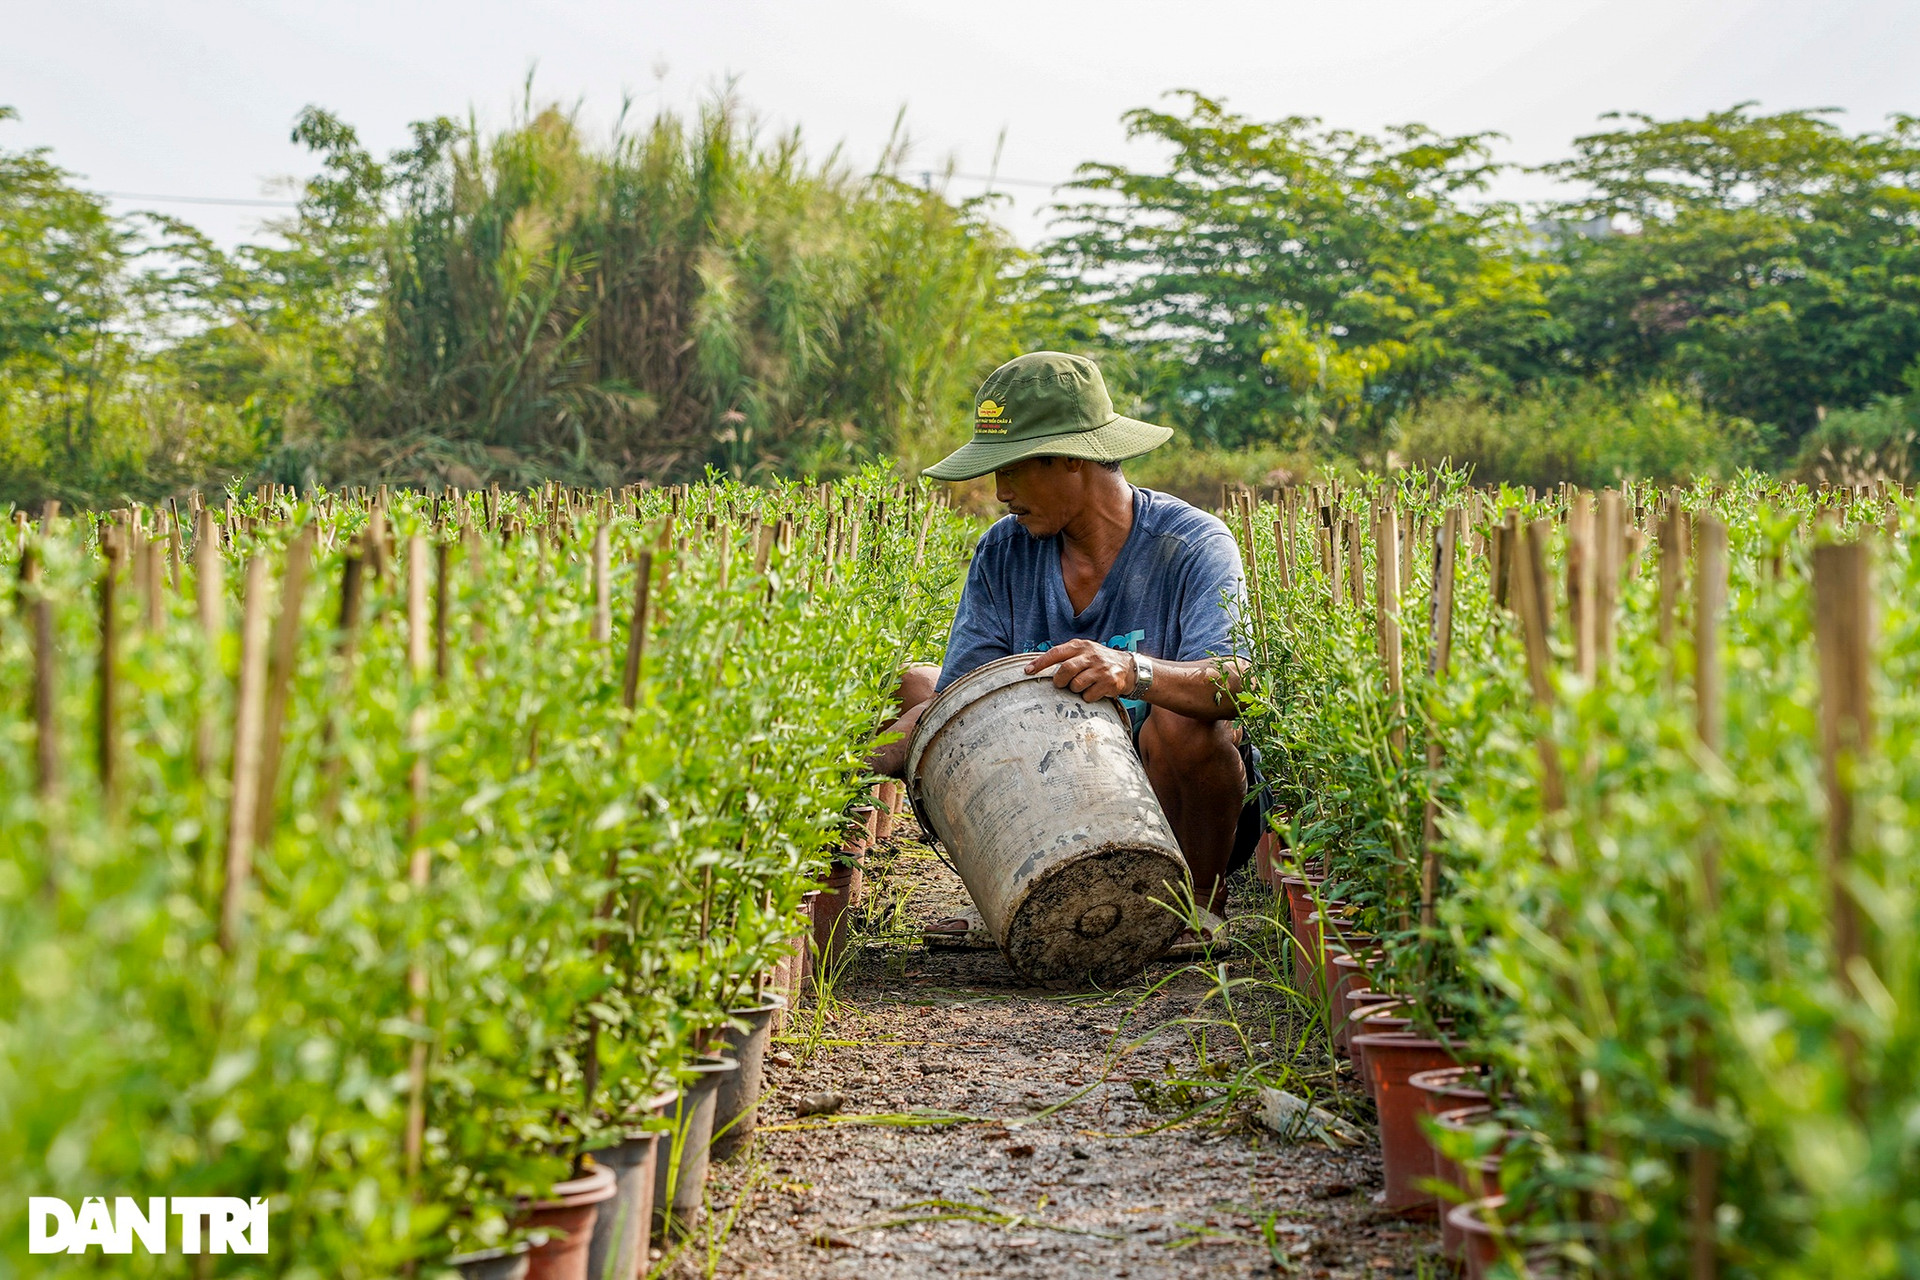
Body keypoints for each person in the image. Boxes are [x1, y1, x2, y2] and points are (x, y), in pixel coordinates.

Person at [871, 351, 1268, 938]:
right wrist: (835, 772)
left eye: (1013, 469)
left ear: (1072, 458)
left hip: (1170, 801)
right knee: (924, 694)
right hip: (1046, 803)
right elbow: (961, 697)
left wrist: (1134, 672)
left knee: (1181, 722)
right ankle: (1010, 896)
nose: (1000, 492)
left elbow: (1240, 682)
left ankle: (1195, 906)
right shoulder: (1003, 552)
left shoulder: (1190, 544)